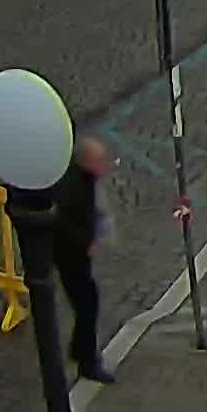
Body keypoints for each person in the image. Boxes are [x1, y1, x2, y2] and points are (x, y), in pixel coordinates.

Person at [46, 134, 115, 383]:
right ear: (86, 161)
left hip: (73, 252)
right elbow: (63, 224)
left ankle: (81, 352)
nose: (103, 165)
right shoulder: (73, 187)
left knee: (87, 301)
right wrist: (87, 242)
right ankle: (86, 360)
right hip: (69, 254)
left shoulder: (82, 180)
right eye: (99, 160)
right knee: (87, 303)